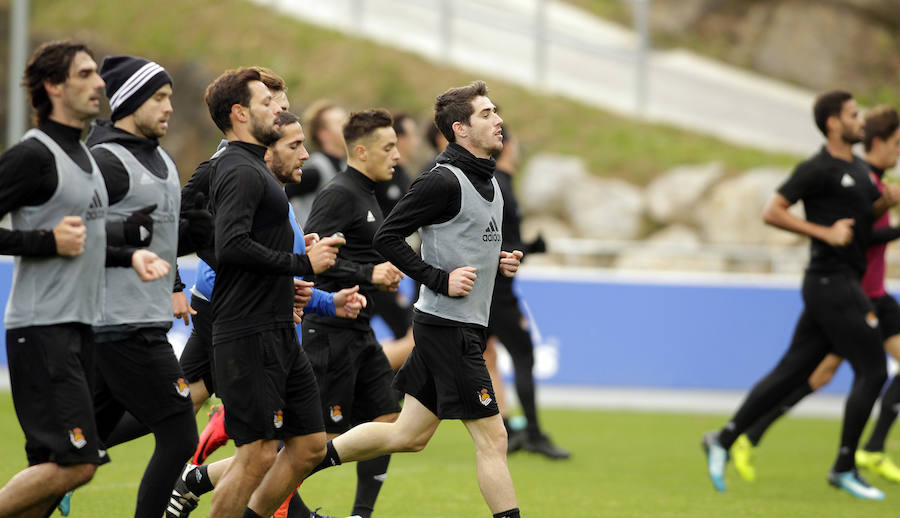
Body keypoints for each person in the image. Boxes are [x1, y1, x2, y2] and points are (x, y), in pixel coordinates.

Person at [307, 80, 524, 518]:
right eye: (486, 114)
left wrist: (498, 260)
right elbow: (388, 237)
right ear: (460, 129)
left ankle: (291, 465)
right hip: (447, 328)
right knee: (494, 438)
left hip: (459, 326)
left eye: (495, 112)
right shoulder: (441, 180)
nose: (498, 120)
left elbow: (466, 240)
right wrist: (439, 280)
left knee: (407, 435)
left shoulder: (490, 180)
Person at [702, 90, 900, 500]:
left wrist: (884, 203)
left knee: (793, 372)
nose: (860, 121)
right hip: (832, 283)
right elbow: (773, 211)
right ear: (833, 123)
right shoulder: (817, 168)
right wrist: (824, 232)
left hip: (840, 283)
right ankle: (845, 466)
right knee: (873, 370)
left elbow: (863, 229)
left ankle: (724, 438)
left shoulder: (859, 170)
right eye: (853, 114)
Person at [0, 40, 170, 518]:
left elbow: (85, 240)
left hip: (78, 327)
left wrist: (128, 256)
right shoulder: (33, 155)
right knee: (77, 465)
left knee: (51, 470)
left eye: (97, 73)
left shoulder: (84, 155)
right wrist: (44, 241)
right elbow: (58, 240)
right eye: (84, 74)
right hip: (42, 328)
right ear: (53, 87)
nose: (99, 83)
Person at [202, 67, 342, 518]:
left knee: (310, 445)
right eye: (266, 103)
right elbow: (230, 245)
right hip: (249, 331)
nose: (277, 109)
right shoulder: (238, 169)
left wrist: (289, 280)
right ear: (240, 114)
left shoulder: (252, 167)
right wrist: (301, 264)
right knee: (257, 454)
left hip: (278, 328)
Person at [84, 55, 201, 518]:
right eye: (159, 98)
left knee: (73, 459)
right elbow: (73, 235)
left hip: (142, 322)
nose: (169, 107)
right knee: (180, 434)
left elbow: (161, 240)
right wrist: (122, 237)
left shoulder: (163, 160)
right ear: (130, 101)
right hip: (121, 325)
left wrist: (199, 232)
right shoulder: (104, 161)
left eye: (169, 97)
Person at [293, 109, 405, 518]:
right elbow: (312, 261)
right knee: (312, 442)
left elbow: (355, 256)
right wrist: (368, 273)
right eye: (388, 147)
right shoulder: (339, 193)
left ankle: (361, 514)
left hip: (360, 330)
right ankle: (252, 491)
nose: (396, 155)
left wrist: (380, 275)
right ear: (360, 151)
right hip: (328, 331)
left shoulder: (368, 192)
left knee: (387, 419)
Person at [480, 126, 565, 460]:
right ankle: (532, 432)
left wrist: (527, 247)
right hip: (498, 293)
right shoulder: (498, 185)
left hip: (491, 290)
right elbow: (501, 246)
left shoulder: (498, 183)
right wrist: (532, 248)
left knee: (485, 358)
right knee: (523, 354)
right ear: (508, 147)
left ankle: (506, 428)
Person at [285, 100, 348, 226]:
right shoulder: (316, 170)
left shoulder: (345, 164)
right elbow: (281, 194)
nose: (348, 127)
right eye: (340, 123)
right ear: (323, 134)